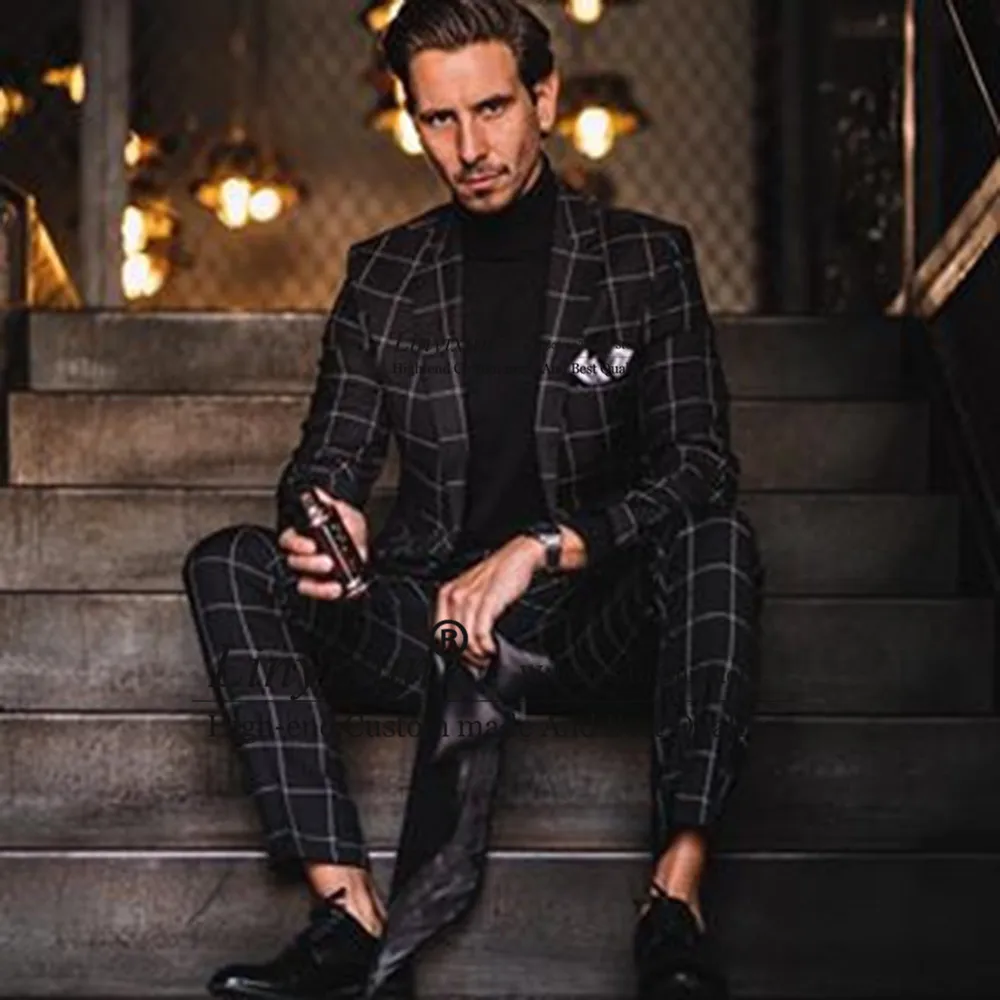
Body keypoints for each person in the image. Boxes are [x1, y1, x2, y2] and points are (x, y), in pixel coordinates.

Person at [182, 1, 764, 997]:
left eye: (491, 109)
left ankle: (674, 898)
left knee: (718, 538)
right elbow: (323, 462)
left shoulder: (645, 261)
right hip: (429, 620)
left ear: (544, 98)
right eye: (438, 119)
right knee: (229, 563)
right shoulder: (384, 274)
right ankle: (345, 912)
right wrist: (326, 517)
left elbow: (699, 464)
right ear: (413, 119)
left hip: (586, 621)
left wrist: (545, 545)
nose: (469, 147)